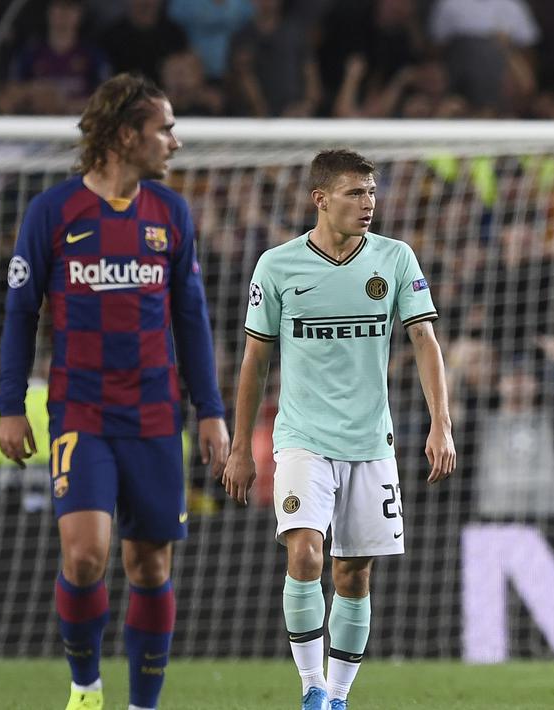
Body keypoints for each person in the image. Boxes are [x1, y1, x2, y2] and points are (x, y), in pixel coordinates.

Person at [0, 73, 229, 710]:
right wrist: (10, 406)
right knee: (85, 556)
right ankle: (85, 688)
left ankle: (142, 706)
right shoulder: (53, 212)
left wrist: (210, 410)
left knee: (150, 566)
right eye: (165, 129)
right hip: (82, 412)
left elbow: (191, 320)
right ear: (127, 135)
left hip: (155, 416)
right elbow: (20, 313)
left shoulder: (170, 214)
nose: (175, 142)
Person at [221, 149, 456, 710]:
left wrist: (441, 424)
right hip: (302, 439)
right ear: (320, 199)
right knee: (305, 554)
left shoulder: (395, 258)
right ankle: (312, 688)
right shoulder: (277, 266)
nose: (368, 203)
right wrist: (240, 448)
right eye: (355, 192)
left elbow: (425, 340)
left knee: (353, 574)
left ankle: (339, 697)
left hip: (371, 442)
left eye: (371, 192)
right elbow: (255, 359)